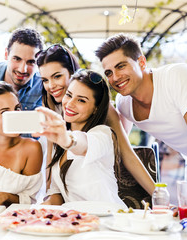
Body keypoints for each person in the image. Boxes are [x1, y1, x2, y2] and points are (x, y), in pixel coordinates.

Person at [95, 33, 187, 193]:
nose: (115, 77)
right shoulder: (124, 104)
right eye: (108, 72)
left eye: (121, 66)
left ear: (141, 62)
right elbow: (120, 150)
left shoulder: (177, 77)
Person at [36, 44, 155, 195]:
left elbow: (125, 153)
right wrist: (50, 196)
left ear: (72, 73)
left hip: (96, 183)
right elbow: (51, 157)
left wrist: (158, 194)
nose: (51, 86)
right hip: (67, 190)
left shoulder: (102, 109)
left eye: (57, 76)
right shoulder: (52, 101)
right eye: (45, 80)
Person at [34, 69, 125, 206]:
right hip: (77, 221)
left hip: (110, 220)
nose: (70, 104)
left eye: (81, 100)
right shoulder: (59, 142)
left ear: (95, 108)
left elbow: (82, 144)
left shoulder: (104, 134)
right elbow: (58, 194)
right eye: (69, 95)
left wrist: (66, 139)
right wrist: (37, 211)